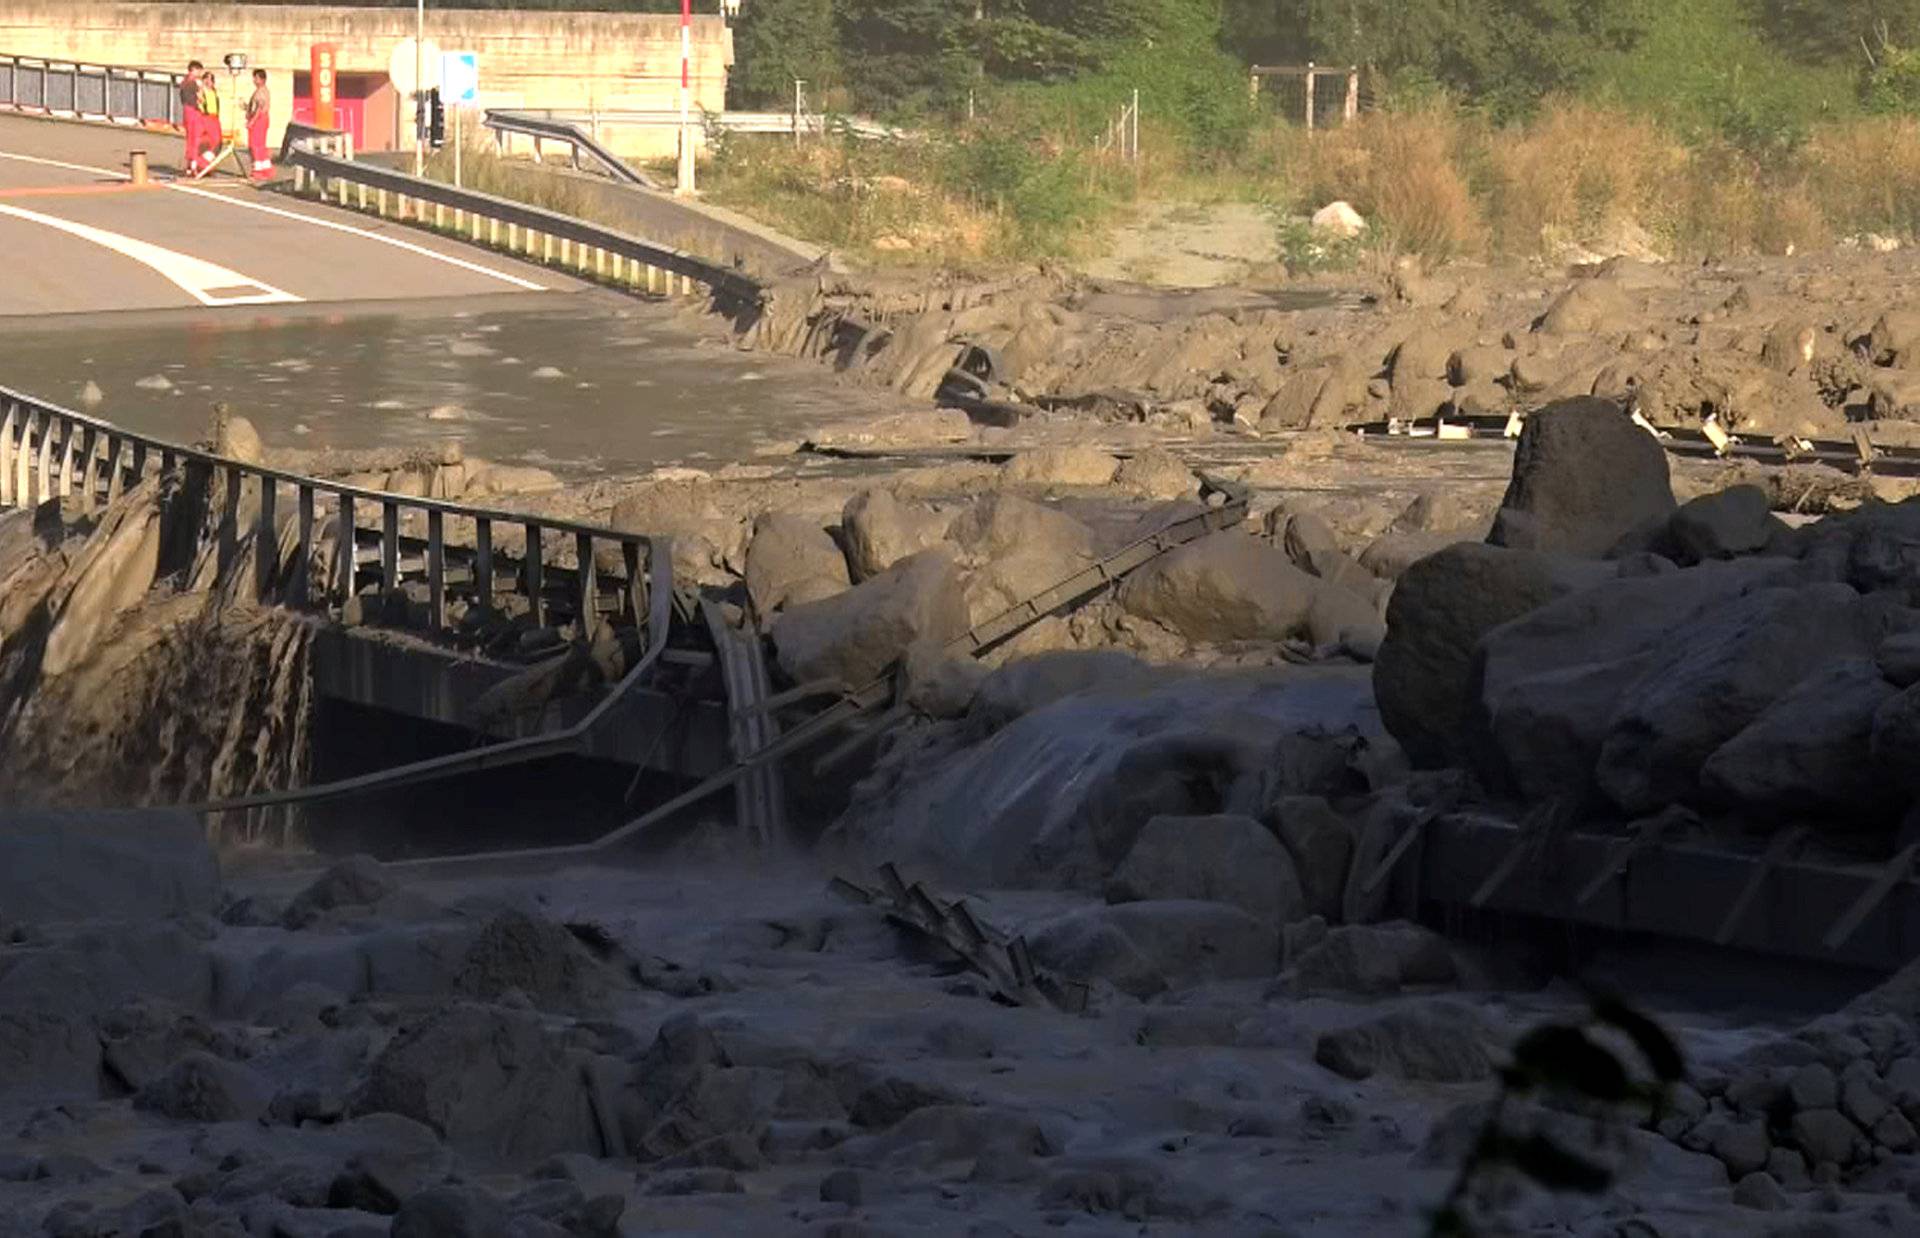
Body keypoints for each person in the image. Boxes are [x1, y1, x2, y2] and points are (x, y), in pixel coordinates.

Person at [245, 69, 272, 180]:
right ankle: (266, 170)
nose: (254, 80)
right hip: (261, 119)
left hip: (259, 120)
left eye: (256, 78)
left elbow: (260, 109)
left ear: (262, 79)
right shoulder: (262, 91)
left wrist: (252, 121)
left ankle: (258, 171)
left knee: (255, 145)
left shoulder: (261, 92)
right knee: (260, 145)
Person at [179, 59, 205, 174]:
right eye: (198, 71)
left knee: (190, 138)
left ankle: (189, 165)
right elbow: (201, 98)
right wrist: (201, 89)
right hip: (193, 110)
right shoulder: (193, 83)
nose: (199, 74)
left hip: (186, 110)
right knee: (195, 138)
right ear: (193, 70)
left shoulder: (184, 82)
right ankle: (193, 165)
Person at [198, 71, 223, 173]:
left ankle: (205, 163)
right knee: (210, 142)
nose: (209, 81)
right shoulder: (202, 91)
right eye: (206, 79)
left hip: (214, 118)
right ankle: (201, 164)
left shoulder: (214, 91)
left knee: (217, 143)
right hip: (206, 118)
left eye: (211, 79)